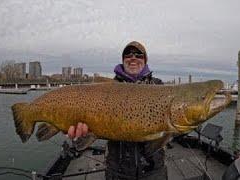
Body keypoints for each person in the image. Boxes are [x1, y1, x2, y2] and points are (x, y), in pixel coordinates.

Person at [68, 41, 167, 180]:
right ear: (123, 60)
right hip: (117, 172)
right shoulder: (106, 89)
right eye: (128, 54)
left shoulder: (159, 87)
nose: (133, 57)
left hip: (154, 171)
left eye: (139, 55)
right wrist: (78, 133)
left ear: (145, 60)